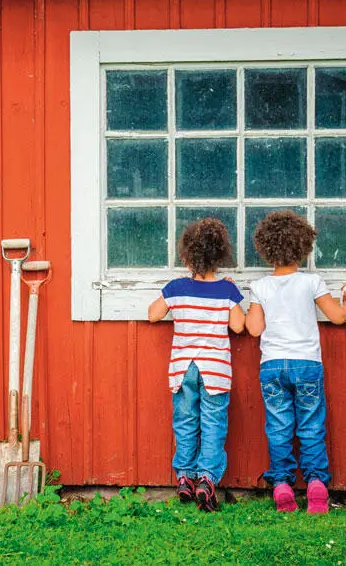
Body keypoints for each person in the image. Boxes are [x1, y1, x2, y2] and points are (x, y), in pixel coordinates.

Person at [245, 210, 346, 514]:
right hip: (307, 364)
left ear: (265, 249)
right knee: (311, 426)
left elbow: (255, 329)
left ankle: (282, 485)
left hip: (272, 366)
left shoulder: (260, 287)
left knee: (278, 426)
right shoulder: (312, 282)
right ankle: (316, 487)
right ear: (303, 247)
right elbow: (338, 317)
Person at [147, 218, 246, 511]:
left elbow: (153, 314)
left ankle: (185, 478)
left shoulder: (177, 288)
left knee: (186, 422)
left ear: (186, 256)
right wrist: (234, 293)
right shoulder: (226, 291)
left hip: (183, 369)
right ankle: (207, 479)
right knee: (213, 425)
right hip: (214, 369)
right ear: (220, 257)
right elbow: (239, 326)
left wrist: (171, 297)